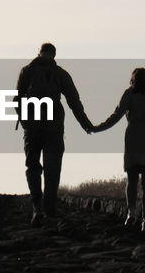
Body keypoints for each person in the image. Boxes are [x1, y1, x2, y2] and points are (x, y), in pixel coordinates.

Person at [15, 43, 94, 224]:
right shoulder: (61, 74)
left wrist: (24, 119)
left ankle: (37, 208)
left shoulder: (26, 71)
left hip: (32, 126)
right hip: (54, 126)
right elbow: (74, 101)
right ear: (54, 55)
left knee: (32, 166)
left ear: (39, 53)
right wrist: (86, 124)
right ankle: (50, 209)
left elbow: (17, 98)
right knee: (52, 168)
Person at [91, 67, 145, 231]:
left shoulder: (130, 94)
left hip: (133, 138)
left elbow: (117, 115)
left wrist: (98, 128)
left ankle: (131, 213)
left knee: (131, 180)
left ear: (133, 79)